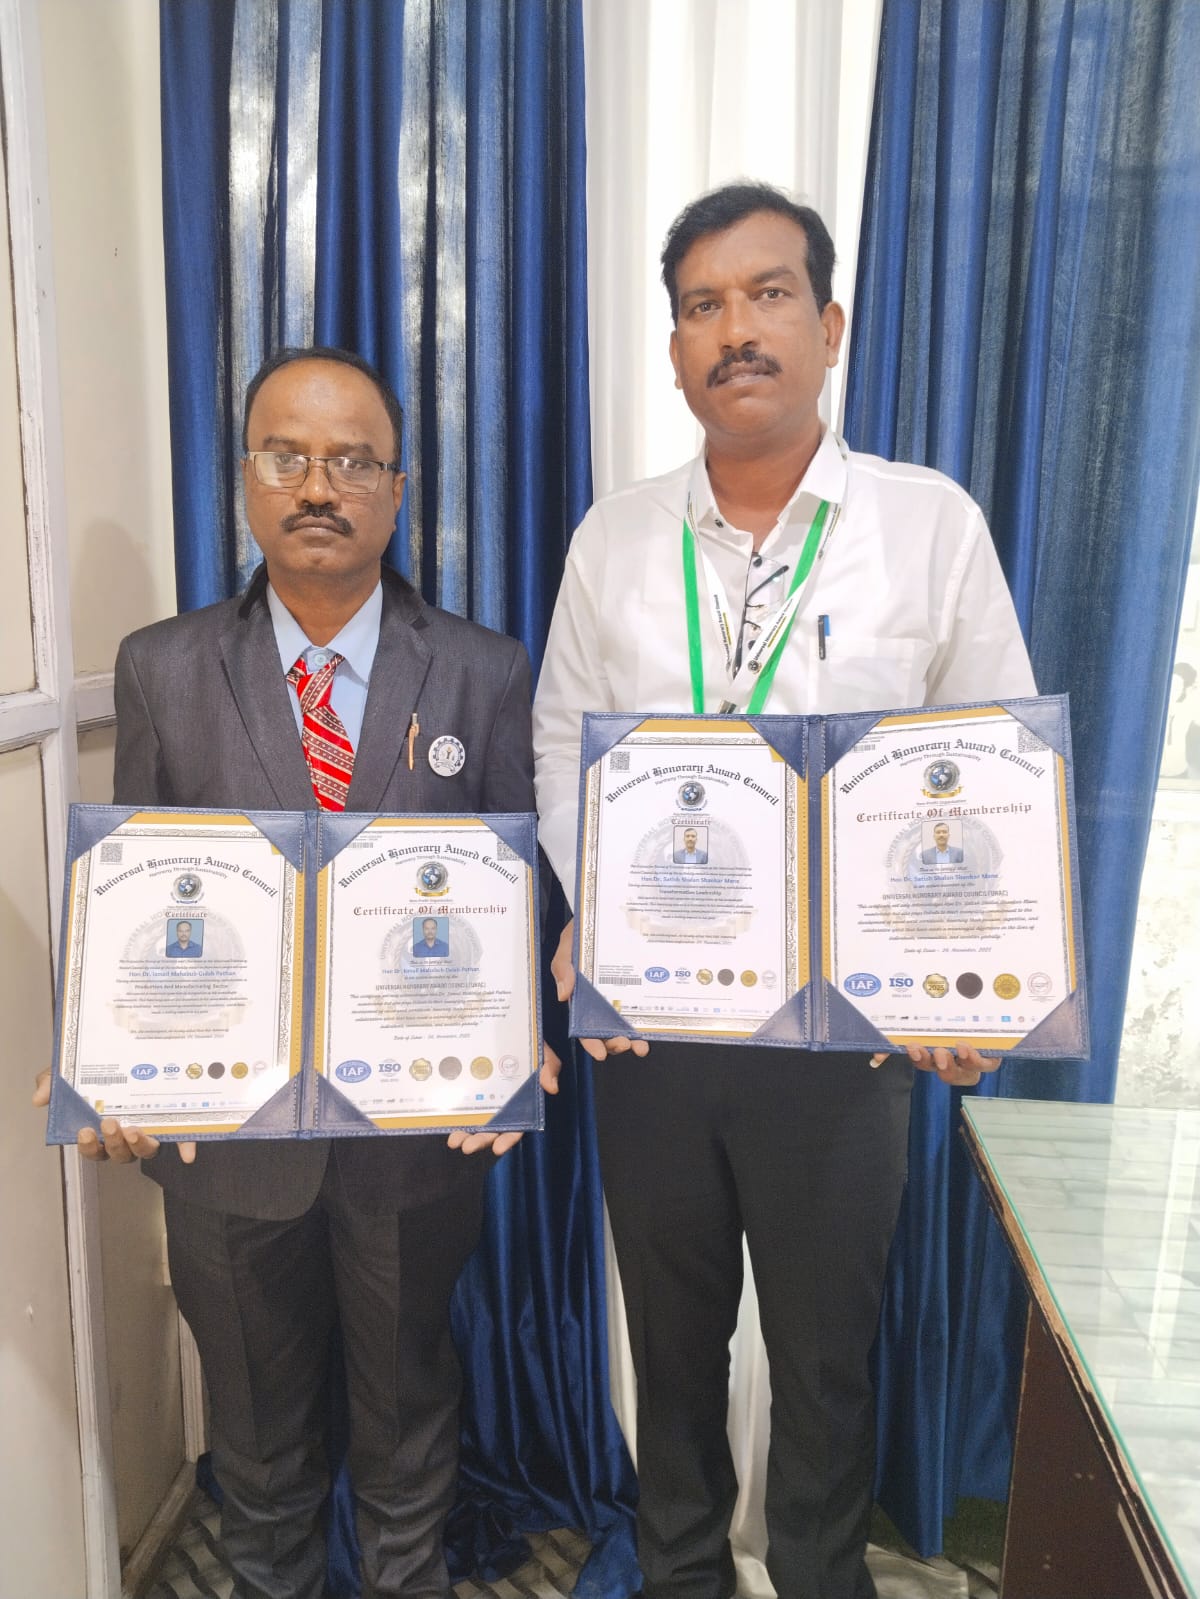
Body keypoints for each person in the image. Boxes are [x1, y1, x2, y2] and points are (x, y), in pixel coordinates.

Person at [533, 183, 1036, 1599]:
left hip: (844, 1034)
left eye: (766, 295)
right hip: (657, 1030)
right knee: (673, 1351)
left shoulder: (928, 526)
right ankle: (681, 1574)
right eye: (703, 305)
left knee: (825, 1361)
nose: (734, 329)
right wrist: (599, 920)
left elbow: (989, 757)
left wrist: (960, 985)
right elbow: (561, 746)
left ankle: (820, 1577)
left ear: (830, 324)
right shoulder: (614, 539)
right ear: (674, 349)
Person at [37, 345, 557, 1599]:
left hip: (416, 1138)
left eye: (352, 461)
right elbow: (141, 892)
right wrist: (107, 1067)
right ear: (245, 477)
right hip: (226, 1146)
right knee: (257, 1447)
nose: (319, 486)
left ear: (398, 488)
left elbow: (513, 890)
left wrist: (516, 1037)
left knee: (408, 1422)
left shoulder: (483, 670)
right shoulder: (162, 666)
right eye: (288, 456)